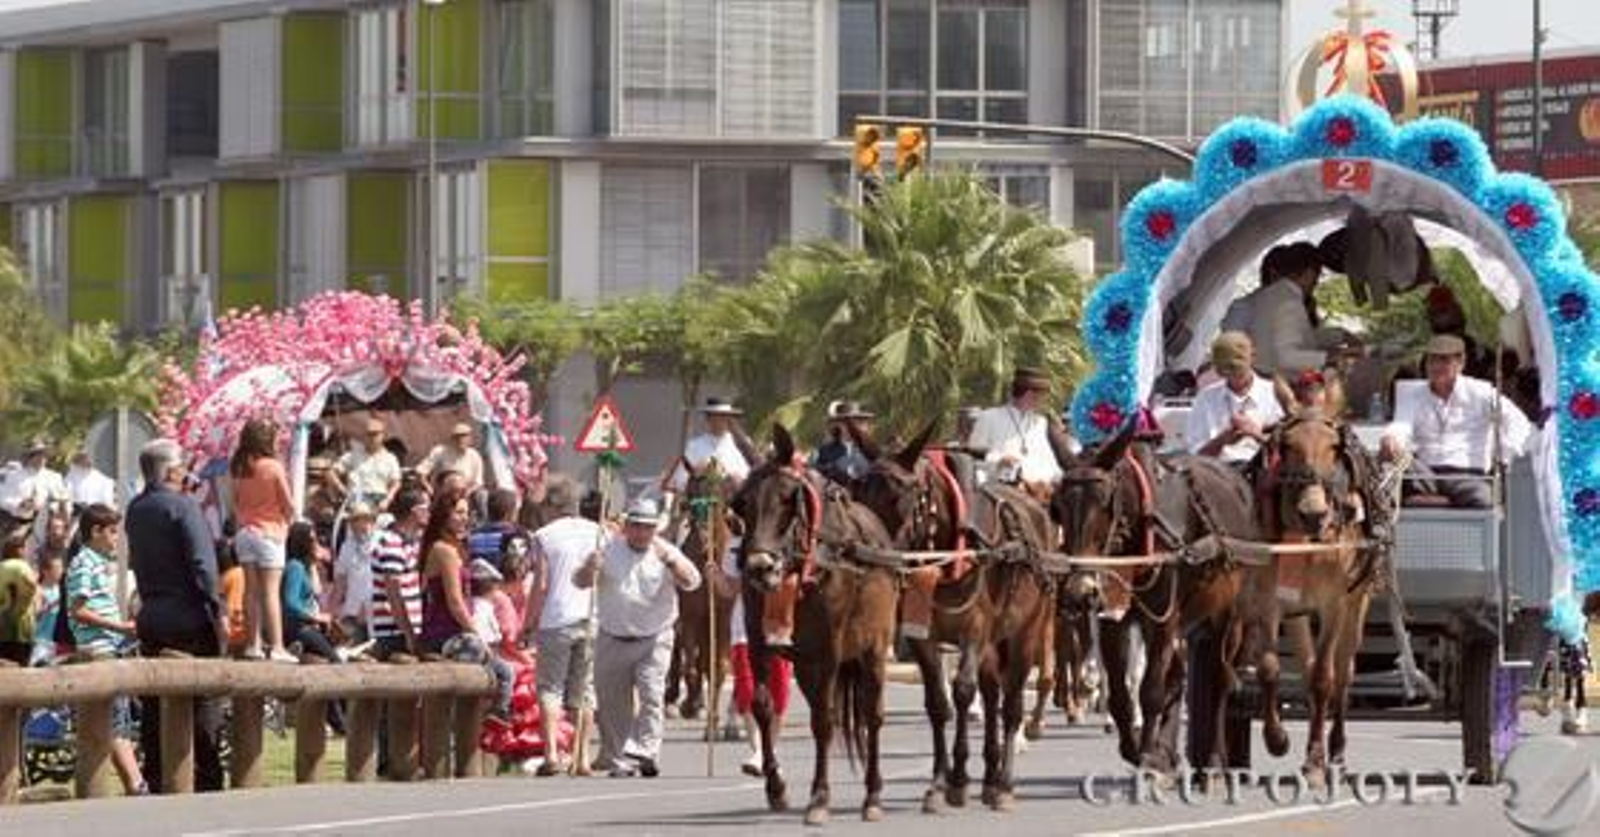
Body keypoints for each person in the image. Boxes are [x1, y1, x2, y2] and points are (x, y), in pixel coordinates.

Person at [125, 438, 227, 793]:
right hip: (188, 614)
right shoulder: (183, 507)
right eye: (182, 465)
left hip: (151, 613)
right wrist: (218, 609)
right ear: (170, 470)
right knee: (203, 699)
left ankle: (157, 773)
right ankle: (206, 776)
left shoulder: (135, 509)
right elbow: (203, 565)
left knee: (154, 702)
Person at [575, 497, 702, 778]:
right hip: (613, 635)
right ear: (627, 527)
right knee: (611, 702)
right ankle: (621, 757)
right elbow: (580, 582)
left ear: (655, 529)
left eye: (648, 527)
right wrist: (589, 568)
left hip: (654, 637)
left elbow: (693, 582)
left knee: (651, 693)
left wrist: (672, 564)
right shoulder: (606, 549)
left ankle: (646, 750)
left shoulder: (665, 551)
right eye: (637, 526)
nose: (643, 532)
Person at [1380, 334, 1534, 509]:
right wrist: (1391, 438)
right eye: (1432, 360)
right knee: (1387, 480)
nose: (1436, 366)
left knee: (1482, 499)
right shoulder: (1412, 393)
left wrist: (1502, 456)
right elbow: (1401, 425)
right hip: (1425, 475)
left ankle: (1439, 503)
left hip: (1467, 475)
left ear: (1461, 363)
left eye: (1444, 360)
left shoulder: (1480, 392)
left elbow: (1517, 422)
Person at [64, 503, 147, 795]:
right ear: (95, 531)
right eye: (112, 532)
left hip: (108, 646)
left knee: (118, 719)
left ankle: (135, 782)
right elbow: (78, 610)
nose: (116, 538)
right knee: (116, 723)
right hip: (99, 648)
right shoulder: (84, 563)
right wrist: (120, 628)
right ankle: (136, 784)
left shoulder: (95, 563)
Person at [418, 488, 515, 722]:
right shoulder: (445, 551)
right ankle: (480, 720)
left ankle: (486, 718)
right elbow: (455, 601)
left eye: (467, 513)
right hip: (444, 635)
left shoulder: (452, 549)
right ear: (444, 515)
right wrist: (476, 633)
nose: (464, 518)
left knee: (505, 670)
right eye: (458, 512)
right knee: (500, 670)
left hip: (453, 632)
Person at [528, 475, 603, 776]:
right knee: (584, 690)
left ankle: (552, 753)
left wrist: (528, 621)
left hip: (555, 618)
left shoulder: (544, 535)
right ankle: (582, 756)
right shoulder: (597, 532)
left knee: (550, 688)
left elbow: (540, 584)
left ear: (552, 505)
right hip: (591, 616)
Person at [711, 538, 791, 777]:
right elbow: (730, 590)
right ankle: (758, 751)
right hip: (745, 627)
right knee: (747, 690)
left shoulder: (786, 540)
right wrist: (716, 577)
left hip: (778, 624)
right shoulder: (735, 545)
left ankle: (771, 749)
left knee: (779, 692)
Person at [230, 417, 297, 663]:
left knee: (251, 591)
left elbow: (235, 502)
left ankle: (253, 644)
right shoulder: (273, 466)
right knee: (271, 592)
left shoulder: (239, 466)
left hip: (246, 532)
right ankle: (278, 647)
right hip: (270, 532)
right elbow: (288, 505)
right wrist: (287, 524)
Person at [1229, 242, 1340, 379]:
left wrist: (1339, 337)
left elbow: (1306, 339)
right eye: (1287, 274)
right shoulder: (1244, 307)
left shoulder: (1299, 304)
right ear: (1273, 273)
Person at [1185, 332, 1285, 466]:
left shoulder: (1274, 394)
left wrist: (1256, 434)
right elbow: (1196, 457)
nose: (1232, 376)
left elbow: (1288, 451)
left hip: (1263, 475)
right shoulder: (1206, 398)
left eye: (1237, 369)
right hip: (1217, 474)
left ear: (1253, 357)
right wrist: (1222, 440)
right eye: (1224, 371)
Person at [967, 367, 1069, 488]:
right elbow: (972, 456)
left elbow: (1049, 462)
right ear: (1029, 394)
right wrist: (999, 460)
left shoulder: (1041, 423)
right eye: (1042, 395)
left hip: (1039, 493)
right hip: (1000, 492)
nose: (1043, 400)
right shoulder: (989, 417)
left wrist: (1063, 477)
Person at [369, 489, 428, 660]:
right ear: (415, 512)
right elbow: (394, 593)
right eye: (426, 508)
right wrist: (409, 634)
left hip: (407, 630)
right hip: (394, 633)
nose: (429, 512)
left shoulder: (410, 542)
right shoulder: (391, 543)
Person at [665, 398, 754, 497]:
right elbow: (679, 482)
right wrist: (697, 473)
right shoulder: (695, 446)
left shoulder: (743, 444)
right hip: (703, 504)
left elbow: (753, 476)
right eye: (717, 416)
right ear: (708, 418)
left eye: (725, 416)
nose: (721, 420)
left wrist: (737, 479)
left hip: (738, 503)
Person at [282, 521, 338, 661]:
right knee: (335, 660)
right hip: (299, 628)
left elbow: (317, 591)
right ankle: (301, 652)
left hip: (307, 627)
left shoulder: (304, 566)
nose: (316, 543)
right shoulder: (295, 567)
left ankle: (303, 653)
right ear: (302, 542)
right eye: (312, 539)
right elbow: (291, 602)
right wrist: (316, 617)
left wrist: (313, 562)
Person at [329, 502, 379, 643]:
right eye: (354, 520)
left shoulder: (382, 541)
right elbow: (340, 583)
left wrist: (369, 607)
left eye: (363, 519)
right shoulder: (346, 546)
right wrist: (331, 613)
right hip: (352, 613)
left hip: (378, 612)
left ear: (372, 521)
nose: (358, 524)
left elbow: (385, 581)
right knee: (337, 642)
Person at [334, 418, 403, 511]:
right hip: (357, 500)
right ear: (364, 436)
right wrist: (342, 490)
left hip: (379, 500)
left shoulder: (390, 458)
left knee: (388, 522)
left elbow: (396, 482)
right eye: (368, 434)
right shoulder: (353, 455)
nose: (372, 437)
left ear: (383, 435)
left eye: (375, 434)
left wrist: (387, 500)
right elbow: (331, 472)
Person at [812, 401, 875, 488]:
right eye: (848, 423)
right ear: (839, 425)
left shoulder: (871, 451)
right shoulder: (823, 451)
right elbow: (816, 476)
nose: (854, 427)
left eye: (859, 422)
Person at [419, 423, 486, 496]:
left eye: (465, 437)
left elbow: (478, 482)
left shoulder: (475, 456)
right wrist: (428, 488)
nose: (462, 440)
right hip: (441, 492)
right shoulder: (440, 451)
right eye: (458, 437)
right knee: (422, 497)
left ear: (470, 439)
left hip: (466, 492)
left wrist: (468, 492)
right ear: (453, 439)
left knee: (482, 495)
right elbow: (421, 472)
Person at [468, 489, 525, 573]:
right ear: (509, 513)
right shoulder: (516, 534)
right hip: (507, 582)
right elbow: (519, 567)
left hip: (478, 583)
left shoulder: (473, 535)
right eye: (516, 509)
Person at [0, 546, 38, 666]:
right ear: (19, 550)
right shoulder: (22, 566)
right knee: (22, 666)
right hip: (23, 627)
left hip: (2, 625)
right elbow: (31, 584)